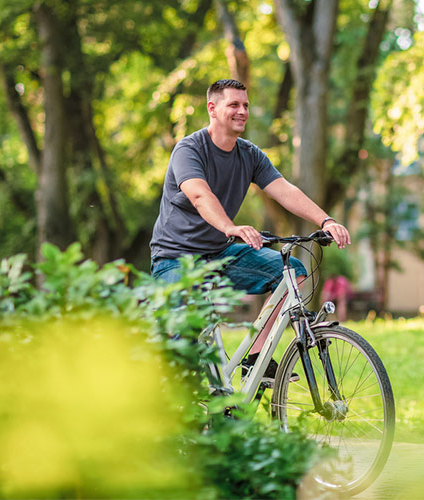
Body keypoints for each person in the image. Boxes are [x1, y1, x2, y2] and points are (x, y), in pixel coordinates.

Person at [149, 78, 350, 381]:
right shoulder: (188, 149)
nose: (242, 111)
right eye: (234, 104)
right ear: (212, 109)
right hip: (176, 258)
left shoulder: (250, 154)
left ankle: (256, 359)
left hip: (220, 252)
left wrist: (326, 221)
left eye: (245, 105)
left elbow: (285, 190)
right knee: (183, 350)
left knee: (291, 272)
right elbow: (200, 195)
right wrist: (231, 227)